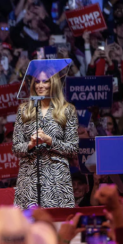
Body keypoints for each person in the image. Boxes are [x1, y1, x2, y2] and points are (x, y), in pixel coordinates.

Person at [12, 67, 78, 208]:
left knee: (56, 226)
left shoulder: (67, 110)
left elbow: (73, 148)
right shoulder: (24, 110)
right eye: (37, 82)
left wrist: (50, 141)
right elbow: (16, 147)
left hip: (56, 180)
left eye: (45, 81)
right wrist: (30, 145)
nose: (40, 85)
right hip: (29, 179)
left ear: (53, 83)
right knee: (28, 227)